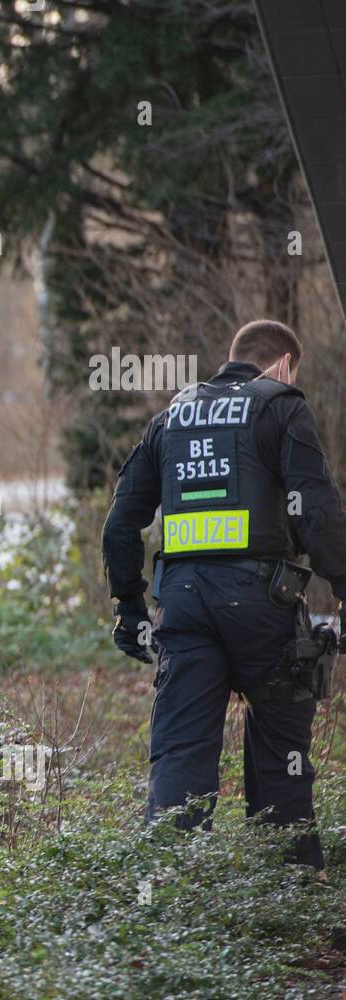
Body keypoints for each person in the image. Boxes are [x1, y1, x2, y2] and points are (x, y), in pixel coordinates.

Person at [102, 319, 346, 872]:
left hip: (183, 608)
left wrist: (131, 607)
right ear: (283, 365)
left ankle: (170, 889)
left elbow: (120, 524)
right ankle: (288, 885)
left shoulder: (172, 417)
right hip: (262, 605)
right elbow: (316, 512)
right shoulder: (282, 405)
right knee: (280, 748)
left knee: (181, 752)